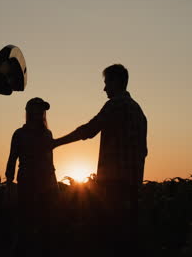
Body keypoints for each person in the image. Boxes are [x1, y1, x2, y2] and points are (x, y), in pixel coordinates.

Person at [53, 64, 147, 254]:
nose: (104, 88)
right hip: (133, 185)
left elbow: (89, 130)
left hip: (114, 184)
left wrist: (56, 143)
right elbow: (143, 151)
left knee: (107, 238)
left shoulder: (115, 105)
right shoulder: (139, 111)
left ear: (117, 82)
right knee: (128, 239)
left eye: (106, 83)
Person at [5, 97, 59, 257]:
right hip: (27, 184)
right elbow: (12, 159)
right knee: (25, 227)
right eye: (37, 109)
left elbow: (50, 163)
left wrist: (55, 185)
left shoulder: (47, 134)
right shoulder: (19, 134)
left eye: (42, 110)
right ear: (29, 112)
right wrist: (9, 185)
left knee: (46, 228)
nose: (41, 113)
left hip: (46, 187)